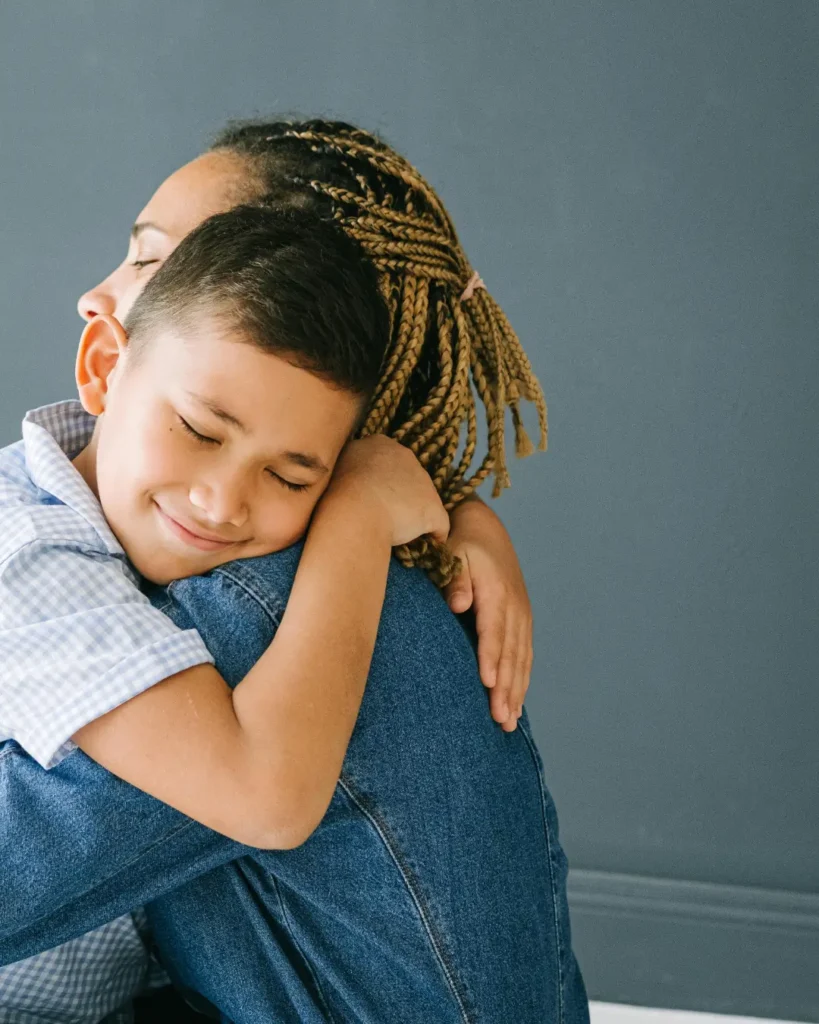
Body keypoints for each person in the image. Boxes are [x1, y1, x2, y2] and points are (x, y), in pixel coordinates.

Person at [0, 119, 589, 1022]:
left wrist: (451, 507)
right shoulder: (46, 547)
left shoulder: (225, 555)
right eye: (135, 256)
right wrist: (364, 513)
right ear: (109, 371)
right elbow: (261, 798)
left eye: (157, 267)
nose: (96, 294)